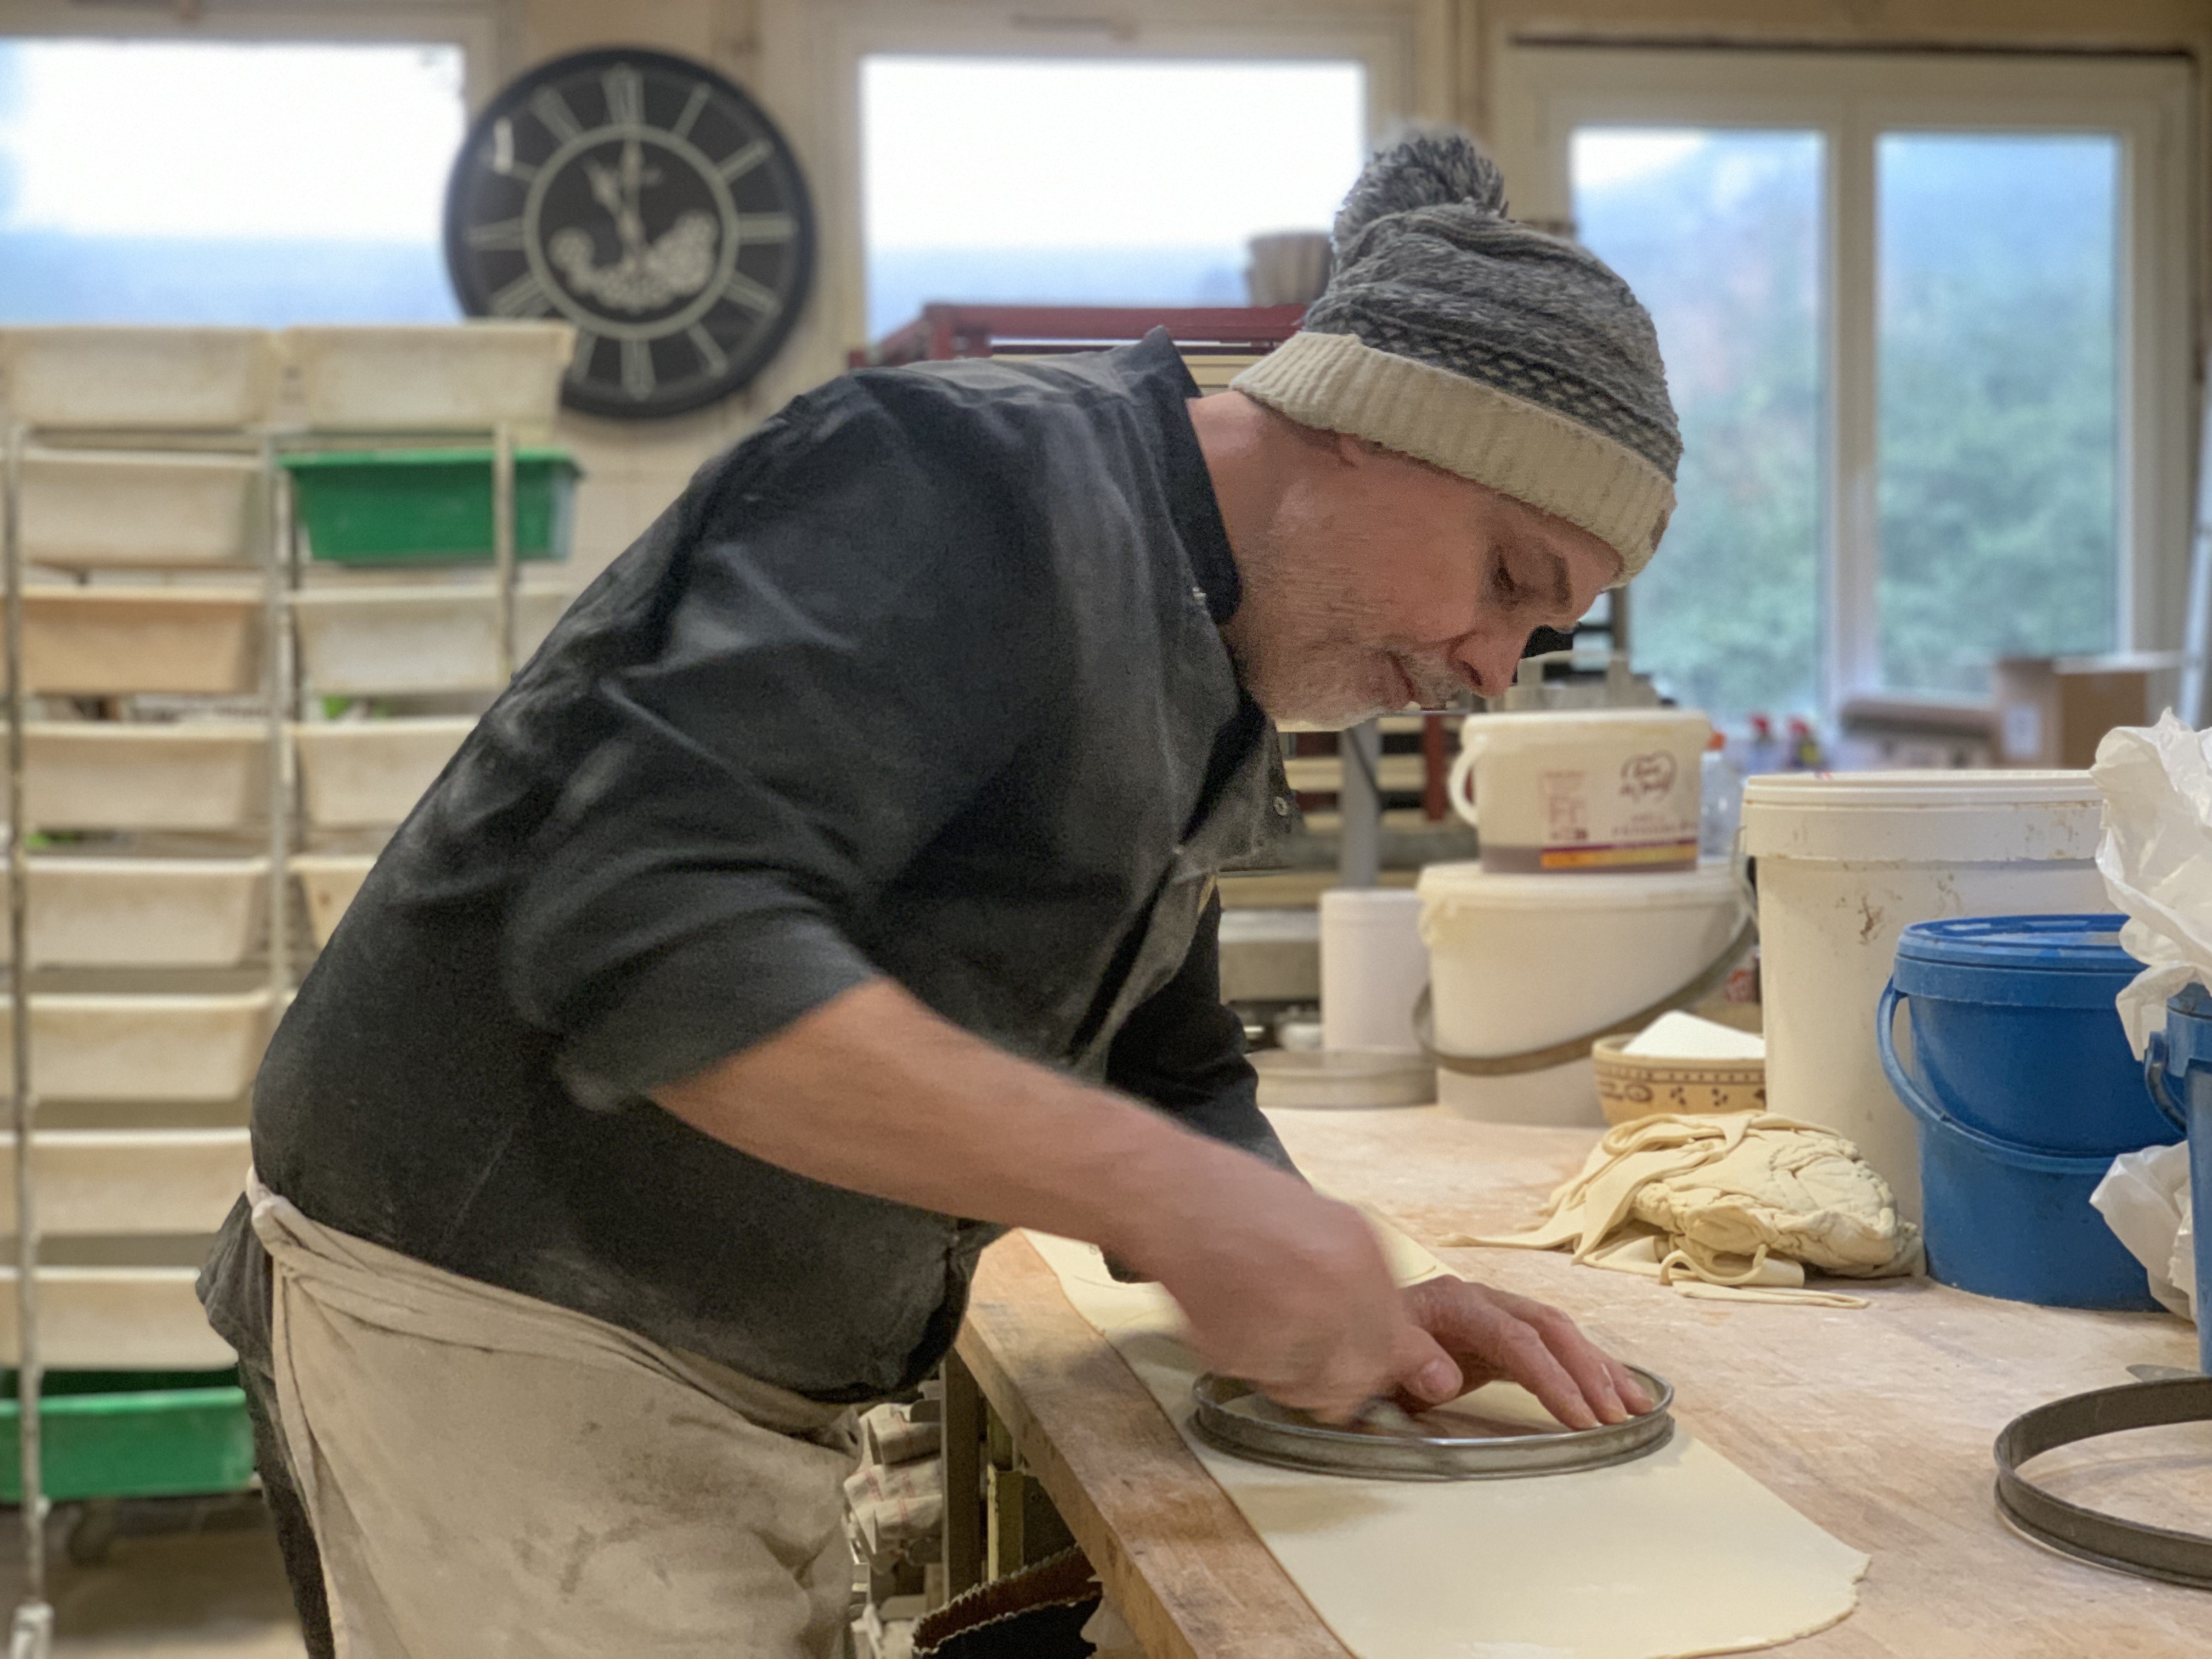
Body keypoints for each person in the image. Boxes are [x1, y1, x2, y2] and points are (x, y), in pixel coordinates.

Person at [200, 128, 1681, 1657]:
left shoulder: (1213, 668)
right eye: (1508, 579)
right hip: (500, 1328)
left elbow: (1162, 1065)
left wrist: (1342, 1292)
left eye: (1542, 635)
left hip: (728, 1377)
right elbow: (656, 938)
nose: (1490, 670)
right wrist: (1172, 1201)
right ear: (1375, 418)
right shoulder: (962, 481)